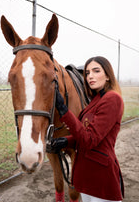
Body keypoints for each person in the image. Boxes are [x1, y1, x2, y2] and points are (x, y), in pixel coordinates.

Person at [50, 56, 124, 202]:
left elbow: (89, 139)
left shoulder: (112, 99)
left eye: (96, 71)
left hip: (100, 176)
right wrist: (65, 141)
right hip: (86, 175)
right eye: (88, 73)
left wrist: (64, 112)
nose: (90, 76)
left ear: (108, 76)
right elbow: (83, 133)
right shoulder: (96, 100)